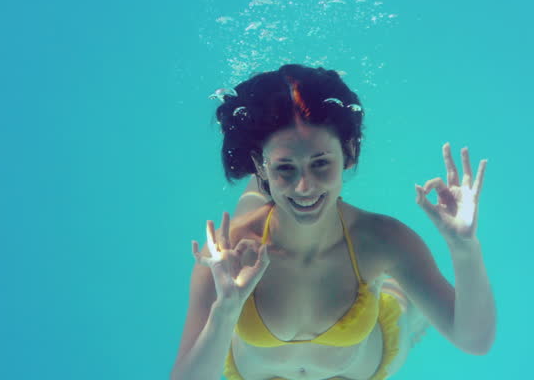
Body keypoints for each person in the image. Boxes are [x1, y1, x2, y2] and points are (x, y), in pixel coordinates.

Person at [171, 64, 496, 380]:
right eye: (286, 168)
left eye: (321, 163)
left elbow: (474, 341)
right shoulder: (226, 254)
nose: (305, 186)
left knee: (401, 305)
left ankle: (409, 308)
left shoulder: (384, 240)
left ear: (349, 152)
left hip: (356, 368)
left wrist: (464, 247)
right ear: (259, 163)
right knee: (253, 219)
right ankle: (276, 173)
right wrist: (225, 311)